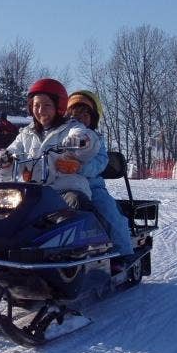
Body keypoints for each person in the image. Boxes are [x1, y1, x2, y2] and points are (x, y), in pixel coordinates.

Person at [0, 78, 100, 210]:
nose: (41, 110)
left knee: (74, 202)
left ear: (58, 107)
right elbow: (14, 154)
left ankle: (87, 229)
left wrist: (81, 140)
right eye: (36, 105)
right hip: (33, 193)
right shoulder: (26, 134)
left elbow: (88, 142)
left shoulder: (71, 127)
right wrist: (4, 160)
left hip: (65, 191)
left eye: (47, 105)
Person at [65, 90, 134, 256]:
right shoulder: (60, 137)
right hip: (62, 186)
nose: (79, 117)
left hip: (92, 188)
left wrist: (79, 168)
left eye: (85, 113)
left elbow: (100, 163)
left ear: (93, 118)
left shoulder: (96, 140)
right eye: (74, 114)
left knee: (111, 216)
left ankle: (122, 255)